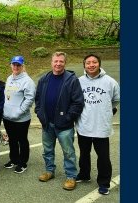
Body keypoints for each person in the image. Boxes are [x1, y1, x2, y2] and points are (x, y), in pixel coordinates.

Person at [35, 51, 84, 190]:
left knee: (68, 152)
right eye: (55, 61)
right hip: (47, 123)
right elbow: (37, 99)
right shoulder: (44, 79)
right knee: (47, 150)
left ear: (65, 63)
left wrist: (68, 118)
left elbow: (78, 103)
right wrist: (40, 114)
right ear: (51, 62)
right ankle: (49, 171)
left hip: (65, 125)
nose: (58, 64)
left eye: (61, 61)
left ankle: (70, 176)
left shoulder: (72, 80)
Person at [74, 54, 120, 195]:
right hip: (84, 125)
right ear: (84, 65)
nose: (91, 65)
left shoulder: (110, 82)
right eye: (88, 63)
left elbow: (116, 99)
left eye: (94, 62)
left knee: (103, 157)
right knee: (84, 153)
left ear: (99, 64)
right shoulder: (79, 81)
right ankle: (84, 174)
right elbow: (74, 100)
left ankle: (104, 183)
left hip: (101, 126)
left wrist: (107, 111)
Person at [2, 56, 36, 174]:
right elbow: (7, 96)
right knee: (12, 140)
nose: (16, 67)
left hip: (21, 119)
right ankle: (14, 159)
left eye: (18, 65)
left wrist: (19, 112)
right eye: (14, 64)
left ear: (22, 66)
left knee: (22, 140)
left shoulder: (28, 81)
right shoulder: (9, 78)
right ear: (11, 65)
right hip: (7, 117)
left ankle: (23, 162)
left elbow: (29, 99)